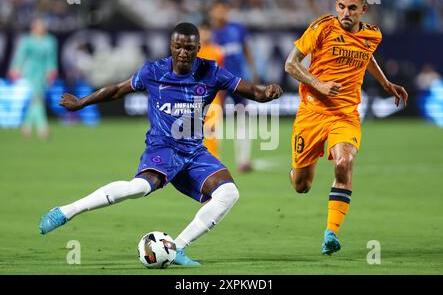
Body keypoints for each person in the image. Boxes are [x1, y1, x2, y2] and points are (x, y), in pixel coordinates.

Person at [38, 23, 283, 265]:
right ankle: (66, 211)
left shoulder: (212, 72)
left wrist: (267, 92)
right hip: (162, 149)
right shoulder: (153, 72)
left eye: (189, 47)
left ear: (198, 48)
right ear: (171, 46)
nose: (183, 53)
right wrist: (82, 102)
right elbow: (117, 90)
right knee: (139, 188)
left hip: (194, 152)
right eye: (178, 47)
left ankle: (177, 248)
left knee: (229, 192)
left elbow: (252, 91)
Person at [284, 0, 408, 255]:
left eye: (352, 8)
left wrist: (386, 83)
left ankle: (331, 233)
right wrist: (319, 84)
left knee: (344, 162)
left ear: (363, 9)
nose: (345, 13)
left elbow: (366, 56)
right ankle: (297, 169)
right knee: (301, 185)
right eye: (341, 6)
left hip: (345, 114)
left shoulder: (373, 35)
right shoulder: (322, 27)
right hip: (312, 113)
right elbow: (290, 64)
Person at [209, 0, 259, 173]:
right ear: (212, 12)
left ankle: (244, 160)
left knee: (243, 119)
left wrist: (253, 72)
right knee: (214, 121)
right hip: (217, 84)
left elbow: (246, 50)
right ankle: (213, 159)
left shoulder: (237, 28)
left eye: (224, 8)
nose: (221, 12)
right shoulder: (210, 34)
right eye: (218, 9)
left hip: (238, 81)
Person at [8, 18, 58, 139]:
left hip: (43, 72)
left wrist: (52, 70)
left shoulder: (50, 40)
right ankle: (43, 127)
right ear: (34, 27)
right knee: (37, 98)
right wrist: (15, 68)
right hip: (30, 71)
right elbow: (20, 55)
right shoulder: (27, 40)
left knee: (35, 100)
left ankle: (26, 126)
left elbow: (51, 58)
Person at [198, 20, 225, 158]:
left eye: (207, 31)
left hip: (213, 99)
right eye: (202, 30)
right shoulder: (192, 51)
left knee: (212, 132)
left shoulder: (217, 52)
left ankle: (214, 161)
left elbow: (222, 77)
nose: (205, 34)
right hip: (194, 99)